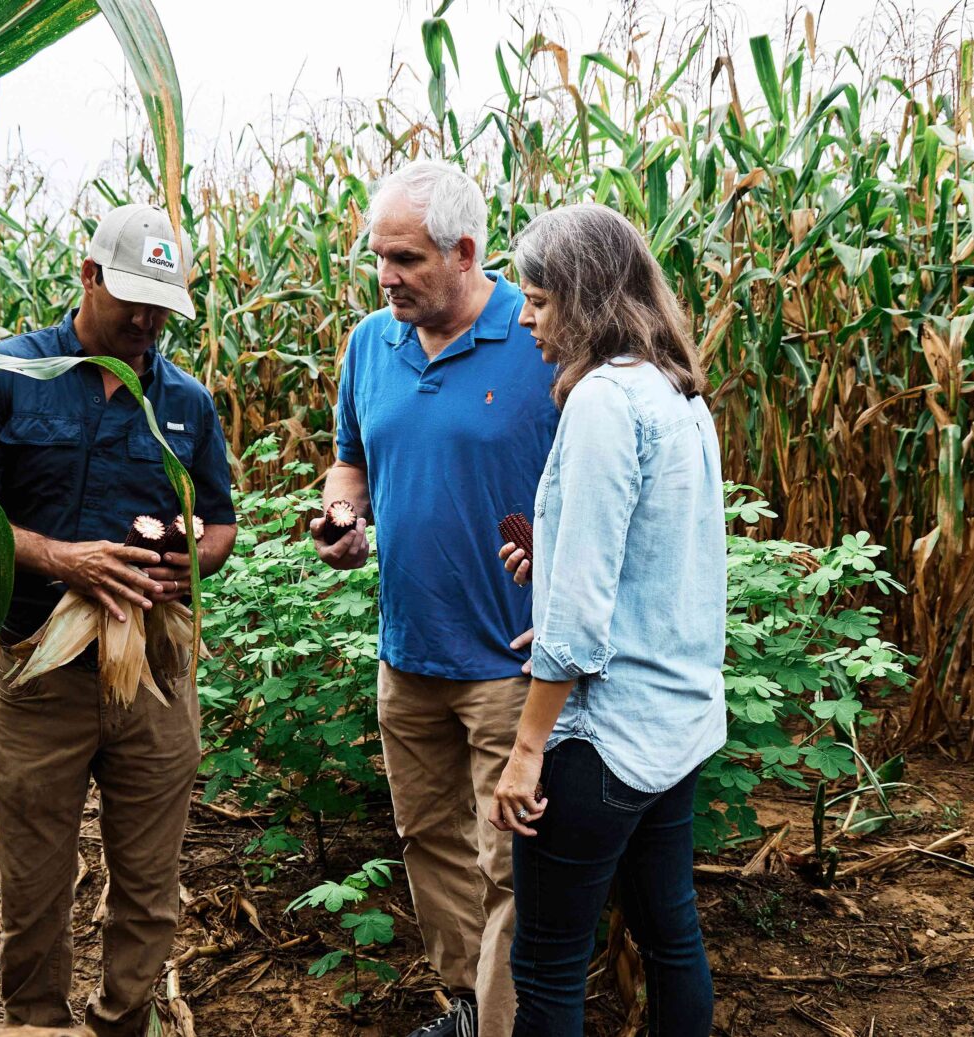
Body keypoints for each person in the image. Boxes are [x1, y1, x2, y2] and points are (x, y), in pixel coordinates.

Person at [0, 203, 237, 1036]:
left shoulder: (186, 402)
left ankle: (123, 1019)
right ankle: (35, 1023)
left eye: (162, 307)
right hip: (41, 665)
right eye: (132, 298)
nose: (146, 322)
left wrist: (191, 564)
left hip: (154, 671)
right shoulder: (4, 375)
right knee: (33, 878)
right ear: (89, 274)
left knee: (149, 878)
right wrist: (65, 560)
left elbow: (220, 521)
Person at [312, 160, 560, 1037]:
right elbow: (352, 455)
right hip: (406, 650)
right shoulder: (367, 343)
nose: (387, 278)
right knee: (431, 844)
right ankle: (466, 1003)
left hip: (511, 658)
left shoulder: (537, 336)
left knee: (509, 864)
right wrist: (345, 509)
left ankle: (502, 1024)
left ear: (463, 252)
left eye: (407, 259)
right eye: (378, 258)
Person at [488, 202, 726, 1036]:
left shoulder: (601, 403)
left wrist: (525, 753)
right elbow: (662, 566)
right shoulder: (678, 393)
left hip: (601, 739)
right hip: (676, 725)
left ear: (584, 298)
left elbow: (582, 623)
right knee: (672, 935)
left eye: (540, 300)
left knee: (548, 968)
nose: (524, 318)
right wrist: (548, 567)